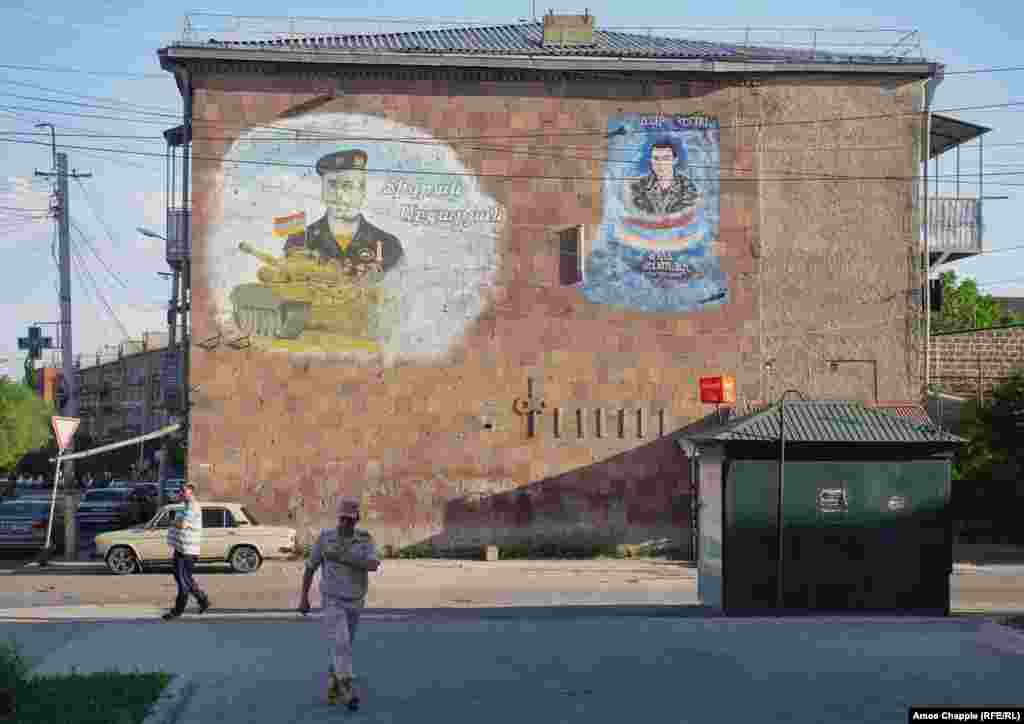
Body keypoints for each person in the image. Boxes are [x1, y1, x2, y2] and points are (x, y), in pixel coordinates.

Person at [299, 497, 380, 710]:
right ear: (338, 517)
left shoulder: (365, 540)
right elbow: (310, 567)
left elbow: (373, 565)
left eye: (350, 520)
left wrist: (344, 557)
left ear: (357, 520)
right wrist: (304, 597)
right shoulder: (325, 538)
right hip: (332, 599)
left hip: (355, 599)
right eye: (343, 519)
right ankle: (347, 688)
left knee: (344, 645)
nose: (346, 523)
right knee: (341, 642)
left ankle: (334, 684)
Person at [283, 149, 404, 274]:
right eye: (332, 185)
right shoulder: (299, 241)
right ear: (322, 190)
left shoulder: (389, 245)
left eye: (348, 185)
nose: (339, 195)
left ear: (362, 191)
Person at [163, 483, 210, 620]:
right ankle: (203, 600)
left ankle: (177, 611)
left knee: (183, 580)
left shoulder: (193, 506)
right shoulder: (186, 506)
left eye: (183, 491)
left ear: (191, 492)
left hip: (187, 551)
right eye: (180, 490)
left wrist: (171, 520)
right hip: (181, 548)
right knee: (184, 578)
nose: (181, 493)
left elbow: (183, 525)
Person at [629, 139, 702, 217]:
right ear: (651, 161)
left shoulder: (687, 186)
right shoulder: (638, 186)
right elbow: (636, 213)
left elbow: (688, 214)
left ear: (675, 160)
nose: (661, 163)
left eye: (666, 158)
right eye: (656, 158)